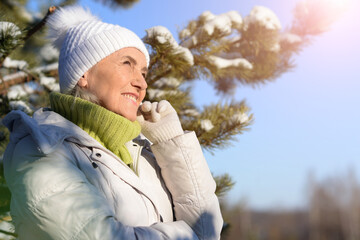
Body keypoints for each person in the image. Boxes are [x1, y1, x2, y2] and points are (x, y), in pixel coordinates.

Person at [2, 5, 223, 240]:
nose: (142, 83)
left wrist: (172, 143)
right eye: (127, 64)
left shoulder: (141, 153)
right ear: (84, 74)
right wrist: (185, 234)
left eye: (144, 73)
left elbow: (207, 231)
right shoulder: (40, 150)